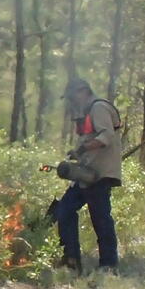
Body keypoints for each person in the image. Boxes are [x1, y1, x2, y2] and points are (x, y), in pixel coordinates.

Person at [55, 80, 123, 273]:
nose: (71, 102)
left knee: (101, 219)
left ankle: (108, 265)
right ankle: (71, 261)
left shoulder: (99, 107)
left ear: (83, 91)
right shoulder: (88, 111)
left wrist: (84, 147)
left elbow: (106, 136)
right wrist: (78, 153)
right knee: (64, 210)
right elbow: (91, 139)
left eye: (72, 97)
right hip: (86, 174)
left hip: (99, 174)